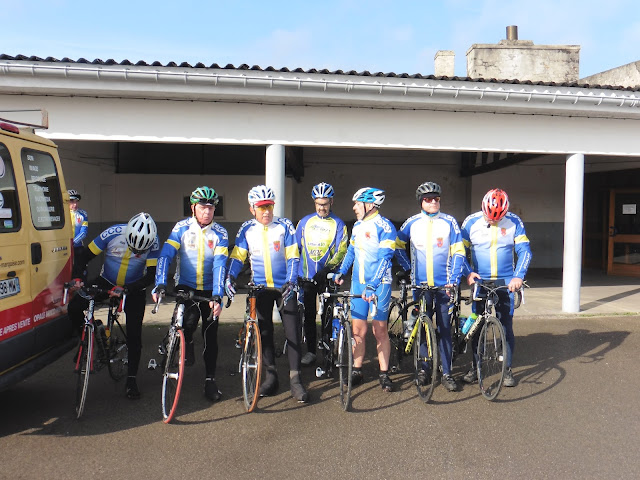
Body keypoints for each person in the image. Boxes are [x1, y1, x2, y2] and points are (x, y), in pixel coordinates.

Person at [225, 185, 309, 403]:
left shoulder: (284, 226)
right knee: (264, 333)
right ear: (252, 209)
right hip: (260, 288)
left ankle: (295, 380)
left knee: (292, 333)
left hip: (284, 288)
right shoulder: (247, 229)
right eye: (262, 207)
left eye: (269, 206)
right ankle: (271, 377)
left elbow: (294, 257)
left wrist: (291, 281)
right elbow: (237, 257)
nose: (266, 212)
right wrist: (230, 277)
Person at [69, 212, 159, 399]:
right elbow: (84, 256)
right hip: (106, 281)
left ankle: (131, 380)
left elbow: (151, 275)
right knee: (74, 307)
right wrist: (77, 277)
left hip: (133, 287)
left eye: (140, 251)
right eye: (133, 247)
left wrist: (127, 289)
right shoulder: (113, 233)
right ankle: (88, 338)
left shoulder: (154, 241)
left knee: (134, 334)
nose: (136, 252)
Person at [152, 187, 228, 402]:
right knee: (186, 323)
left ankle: (210, 380)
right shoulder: (181, 228)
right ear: (193, 207)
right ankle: (179, 345)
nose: (207, 211)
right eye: (203, 207)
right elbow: (166, 255)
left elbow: (220, 265)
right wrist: (160, 283)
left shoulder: (220, 233)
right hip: (186, 285)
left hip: (210, 288)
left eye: (211, 207)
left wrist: (217, 295)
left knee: (210, 334)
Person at [395, 182, 465, 392]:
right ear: (421, 202)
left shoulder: (449, 222)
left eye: (436, 198)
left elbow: (459, 251)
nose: (433, 202)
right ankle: (424, 369)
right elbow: (397, 246)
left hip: (444, 286)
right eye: (428, 199)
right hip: (420, 285)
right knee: (423, 327)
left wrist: (454, 278)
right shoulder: (412, 223)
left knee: (445, 329)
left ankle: (447, 372)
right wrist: (408, 269)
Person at [460, 188, 532, 387]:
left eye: (497, 218)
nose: (492, 221)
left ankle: (507, 369)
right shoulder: (471, 222)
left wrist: (518, 276)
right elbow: (459, 251)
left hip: (506, 282)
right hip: (480, 281)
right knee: (477, 326)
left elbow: (525, 251)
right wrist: (468, 273)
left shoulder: (514, 221)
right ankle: (475, 366)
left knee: (506, 326)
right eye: (489, 217)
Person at [334, 187, 397, 392]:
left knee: (379, 330)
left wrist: (373, 284)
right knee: (357, 331)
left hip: (380, 285)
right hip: (358, 283)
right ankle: (357, 370)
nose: (354, 207)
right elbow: (351, 251)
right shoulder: (358, 226)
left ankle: (384, 373)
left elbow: (385, 259)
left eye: (356, 203)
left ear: (369, 204)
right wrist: (341, 272)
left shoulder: (385, 226)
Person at [295, 182, 348, 366]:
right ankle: (310, 351)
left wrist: (327, 270)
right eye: (318, 204)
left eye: (325, 204)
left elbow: (342, 251)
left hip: (327, 277)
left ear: (331, 202)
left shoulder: (339, 224)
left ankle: (327, 352)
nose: (321, 208)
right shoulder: (304, 222)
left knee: (327, 316)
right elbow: (295, 249)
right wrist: (295, 274)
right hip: (307, 277)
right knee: (309, 316)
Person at [68, 189, 88, 263]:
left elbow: (84, 232)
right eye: (72, 201)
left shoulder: (83, 214)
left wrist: (72, 243)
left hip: (77, 247)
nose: (75, 204)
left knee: (79, 267)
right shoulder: (62, 214)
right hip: (64, 248)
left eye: (76, 201)